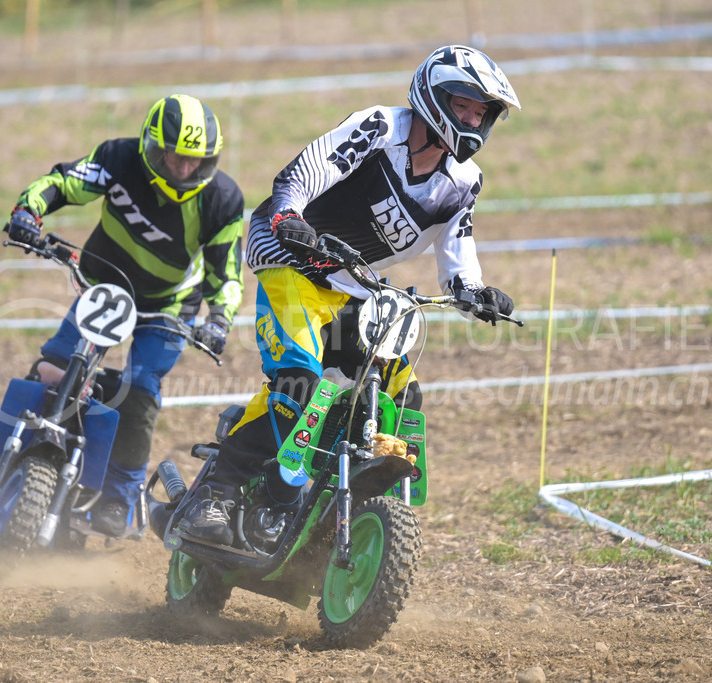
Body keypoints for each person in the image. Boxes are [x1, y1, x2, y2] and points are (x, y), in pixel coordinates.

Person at [175, 45, 520, 545]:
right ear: (433, 96)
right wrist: (289, 216)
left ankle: (347, 506)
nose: (470, 119)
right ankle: (217, 493)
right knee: (299, 379)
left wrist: (474, 293)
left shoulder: (463, 181)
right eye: (462, 105)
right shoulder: (379, 128)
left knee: (400, 391)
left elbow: (458, 250)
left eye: (479, 112)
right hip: (289, 258)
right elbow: (307, 170)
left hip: (352, 285)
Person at [0, 94, 245, 538]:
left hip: (170, 306)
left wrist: (219, 319)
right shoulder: (118, 158)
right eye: (173, 157)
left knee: (140, 389)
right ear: (150, 146)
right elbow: (63, 182)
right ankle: (11, 458)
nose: (183, 170)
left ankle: (119, 499)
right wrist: (28, 211)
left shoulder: (222, 200)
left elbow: (228, 273)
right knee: (54, 366)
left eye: (194, 162)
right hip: (104, 284)